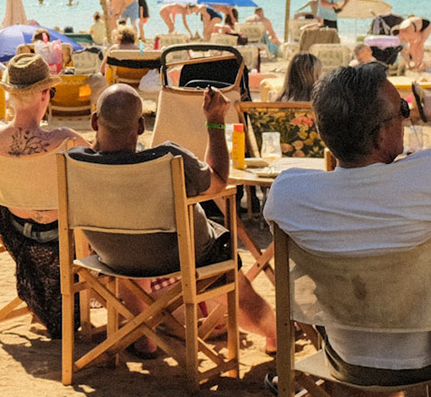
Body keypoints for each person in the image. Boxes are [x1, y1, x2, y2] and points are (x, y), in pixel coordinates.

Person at [264, 64, 431, 397]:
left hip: (347, 357)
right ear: (381, 135)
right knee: (403, 312)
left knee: (366, 317)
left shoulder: (289, 193)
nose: (407, 116)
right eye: (402, 110)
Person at [69, 82, 276, 353]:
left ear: (95, 121)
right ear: (140, 126)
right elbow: (218, 182)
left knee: (131, 244)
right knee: (223, 264)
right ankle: (274, 333)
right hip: (178, 257)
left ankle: (142, 335)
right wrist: (215, 121)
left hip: (111, 257)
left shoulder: (75, 163)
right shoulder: (168, 159)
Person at [0, 54, 89, 336]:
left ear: (9, 94)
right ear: (44, 94)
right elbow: (100, 170)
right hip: (59, 234)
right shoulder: (65, 139)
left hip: (14, 230)